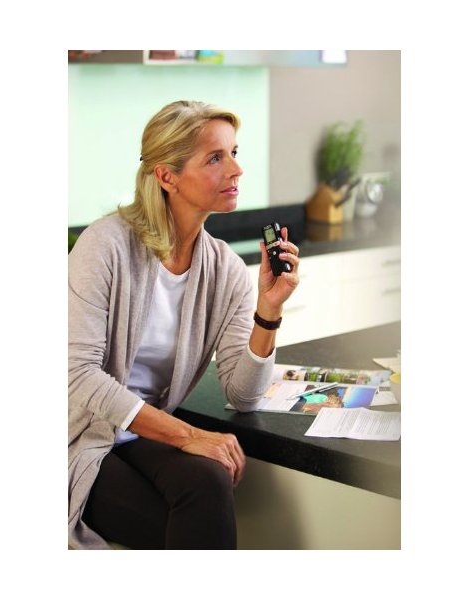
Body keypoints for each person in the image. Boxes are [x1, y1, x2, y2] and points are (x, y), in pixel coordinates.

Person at [68, 100, 300, 550]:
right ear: (166, 176)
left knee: (209, 481)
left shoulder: (226, 269)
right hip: (78, 437)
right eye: (215, 158)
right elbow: (78, 374)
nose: (236, 169)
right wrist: (190, 435)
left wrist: (268, 309)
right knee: (191, 528)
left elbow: (244, 395)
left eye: (234, 153)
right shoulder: (105, 245)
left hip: (140, 436)